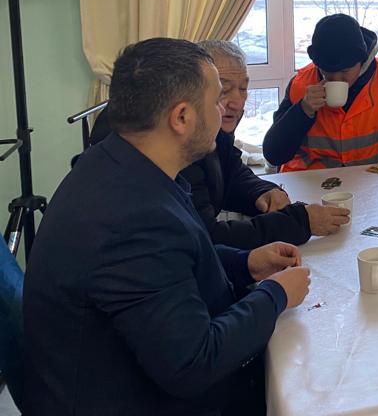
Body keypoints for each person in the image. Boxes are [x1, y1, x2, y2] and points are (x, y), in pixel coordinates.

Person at [23, 38, 311, 415]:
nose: (226, 109)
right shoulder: (133, 219)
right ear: (181, 117)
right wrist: (275, 294)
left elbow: (178, 261)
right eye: (216, 100)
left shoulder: (118, 164)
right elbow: (193, 364)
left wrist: (246, 263)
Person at [184, 40, 346, 247]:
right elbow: (207, 239)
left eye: (243, 88)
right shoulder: (183, 151)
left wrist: (261, 190)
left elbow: (230, 172)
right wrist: (299, 223)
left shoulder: (216, 132)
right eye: (224, 90)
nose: (238, 102)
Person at [263, 13, 378, 171]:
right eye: (327, 71)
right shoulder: (301, 85)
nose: (336, 79)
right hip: (308, 182)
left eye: (345, 71)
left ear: (362, 61)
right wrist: (303, 110)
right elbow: (274, 155)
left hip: (368, 181)